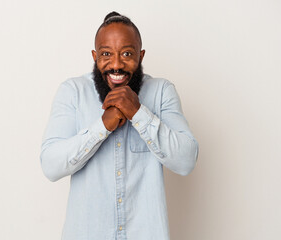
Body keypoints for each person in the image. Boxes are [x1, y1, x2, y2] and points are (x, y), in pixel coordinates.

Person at [40, 11, 199, 240]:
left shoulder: (162, 92)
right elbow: (50, 166)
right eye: (106, 54)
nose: (116, 65)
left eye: (126, 54)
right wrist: (102, 127)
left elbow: (186, 161)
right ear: (95, 56)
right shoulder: (73, 92)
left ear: (141, 56)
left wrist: (138, 113)